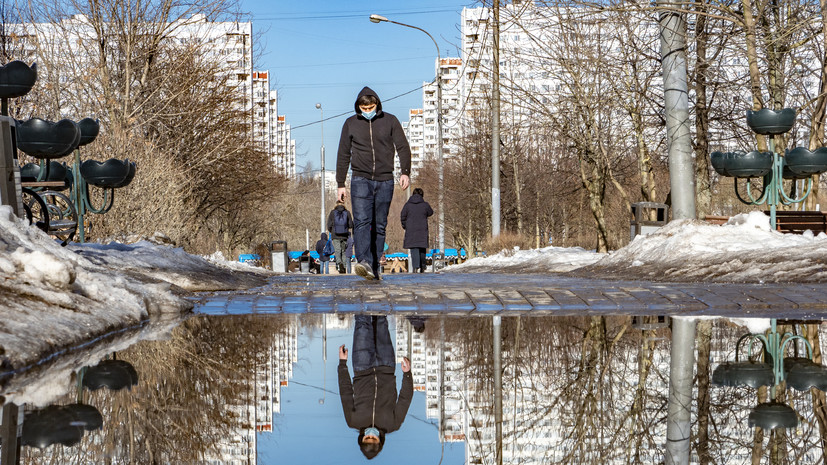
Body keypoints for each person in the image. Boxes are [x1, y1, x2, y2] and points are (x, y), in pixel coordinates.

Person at [336, 86, 411, 280]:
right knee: (362, 222)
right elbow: (343, 154)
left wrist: (405, 172)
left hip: (385, 179)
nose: (367, 110)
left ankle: (375, 265)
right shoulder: (350, 123)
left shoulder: (390, 121)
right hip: (360, 179)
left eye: (370, 106)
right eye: (364, 106)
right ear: (358, 106)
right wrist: (340, 183)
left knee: (379, 225)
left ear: (377, 104)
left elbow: (403, 147)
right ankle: (364, 262)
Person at [339, 315, 412, 459]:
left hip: (362, 366)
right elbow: (405, 399)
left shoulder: (353, 421)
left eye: (367, 438)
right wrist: (407, 374)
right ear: (380, 440)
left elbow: (345, 392)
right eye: (374, 439)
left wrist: (342, 364)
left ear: (361, 439)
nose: (371, 435)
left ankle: (361, 293)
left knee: (362, 322)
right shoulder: (393, 424)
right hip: (386, 365)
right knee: (381, 321)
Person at [400, 187, 434, 273]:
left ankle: (416, 267)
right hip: (422, 229)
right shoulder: (425, 205)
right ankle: (422, 266)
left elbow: (403, 216)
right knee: (422, 248)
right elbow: (430, 212)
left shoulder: (407, 205)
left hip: (411, 230)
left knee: (414, 248)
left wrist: (405, 226)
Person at [327, 199, 354, 274]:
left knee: (337, 250)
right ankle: (344, 266)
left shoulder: (332, 213)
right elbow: (351, 225)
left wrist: (332, 231)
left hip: (335, 235)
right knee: (343, 251)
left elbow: (329, 224)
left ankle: (339, 264)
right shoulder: (347, 212)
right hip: (344, 235)